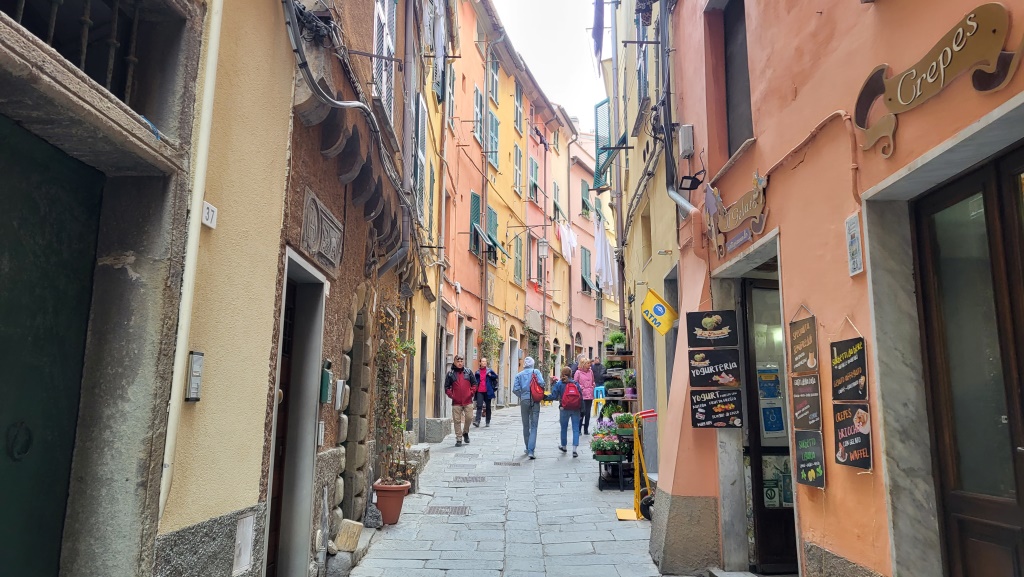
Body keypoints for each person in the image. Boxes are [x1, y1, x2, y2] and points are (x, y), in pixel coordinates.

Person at [512, 356, 545, 459]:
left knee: (526, 425)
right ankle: (531, 451)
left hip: (524, 401)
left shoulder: (519, 375)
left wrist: (522, 396)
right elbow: (542, 383)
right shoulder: (536, 372)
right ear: (533, 364)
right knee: (534, 426)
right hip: (535, 400)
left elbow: (515, 389)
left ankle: (527, 447)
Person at [548, 367, 583, 457]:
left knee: (564, 428)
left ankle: (564, 446)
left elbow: (554, 396)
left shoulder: (559, 383)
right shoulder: (575, 383)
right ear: (571, 374)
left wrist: (543, 397)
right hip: (575, 409)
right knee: (576, 428)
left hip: (564, 408)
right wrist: (582, 410)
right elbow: (581, 397)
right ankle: (574, 450)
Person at [444, 355, 478, 447]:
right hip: (456, 402)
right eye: (458, 361)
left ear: (463, 362)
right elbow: (446, 387)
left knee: (469, 418)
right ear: (454, 362)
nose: (460, 363)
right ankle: (459, 438)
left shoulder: (468, 372)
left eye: (461, 361)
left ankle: (465, 432)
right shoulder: (450, 374)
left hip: (468, 401)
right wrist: (452, 395)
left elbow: (475, 384)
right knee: (457, 420)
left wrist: (471, 393)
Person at [473, 357, 498, 427]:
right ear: (480, 363)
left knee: (488, 406)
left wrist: (491, 375)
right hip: (479, 391)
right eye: (483, 361)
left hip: (488, 391)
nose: (484, 363)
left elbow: (496, 376)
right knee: (479, 406)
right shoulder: (477, 372)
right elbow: (475, 381)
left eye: (485, 361)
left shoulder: (489, 371)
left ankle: (487, 421)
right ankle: (477, 421)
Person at [574, 358, 596, 435]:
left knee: (588, 413)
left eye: (589, 363)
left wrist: (593, 386)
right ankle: (579, 430)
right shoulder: (578, 372)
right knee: (581, 412)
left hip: (589, 394)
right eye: (588, 363)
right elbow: (575, 383)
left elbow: (593, 381)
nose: (590, 365)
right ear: (583, 364)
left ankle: (586, 429)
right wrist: (581, 387)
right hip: (581, 395)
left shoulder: (591, 371)